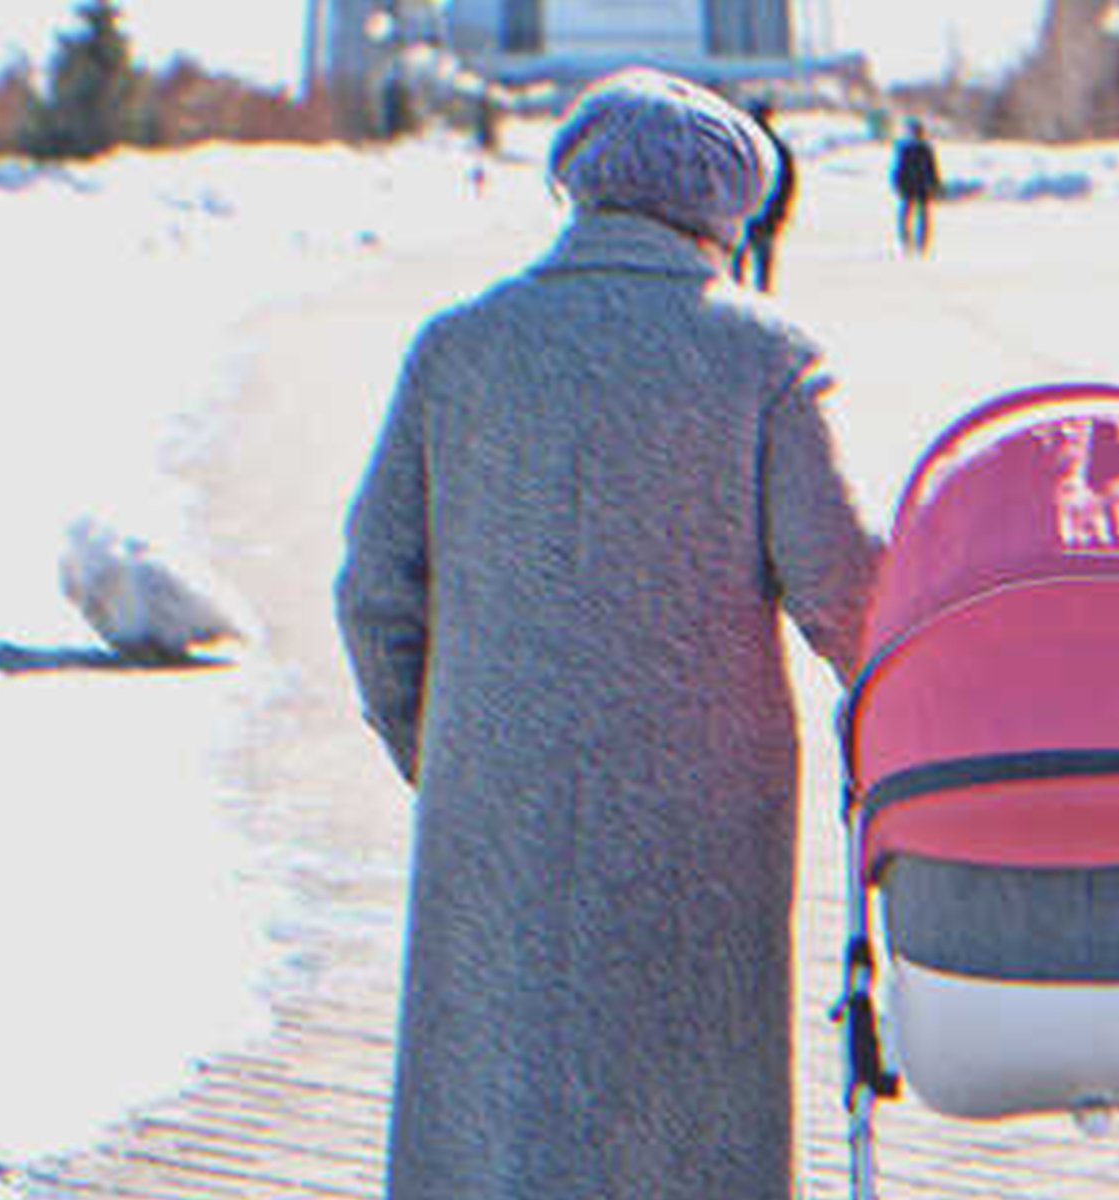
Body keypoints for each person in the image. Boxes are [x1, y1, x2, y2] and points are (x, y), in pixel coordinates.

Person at [336, 68, 882, 1200]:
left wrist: (442, 750)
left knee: (496, 1106)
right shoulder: (766, 359)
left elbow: (375, 594)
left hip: (496, 796)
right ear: (726, 213)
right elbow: (848, 597)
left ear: (577, 188)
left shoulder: (458, 347)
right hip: (701, 816)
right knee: (688, 1120)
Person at [734, 99, 797, 292]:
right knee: (762, 270)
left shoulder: (741, 145)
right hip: (765, 215)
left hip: (743, 214)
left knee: (737, 271)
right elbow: (788, 183)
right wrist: (782, 210)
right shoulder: (778, 148)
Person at [891, 117, 941, 256]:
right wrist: (935, 185)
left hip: (917, 187)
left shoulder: (919, 149)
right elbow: (900, 169)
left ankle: (915, 243)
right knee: (915, 216)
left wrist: (935, 185)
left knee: (916, 216)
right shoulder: (911, 149)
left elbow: (932, 169)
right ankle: (912, 242)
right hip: (916, 187)